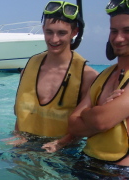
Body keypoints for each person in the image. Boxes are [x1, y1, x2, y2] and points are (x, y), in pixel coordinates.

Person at [13, 1, 98, 151]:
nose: (54, 39)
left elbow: (88, 125)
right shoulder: (29, 68)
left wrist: (62, 143)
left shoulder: (87, 76)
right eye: (49, 32)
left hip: (62, 152)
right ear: (43, 29)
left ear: (74, 32)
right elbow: (20, 113)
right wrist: (17, 136)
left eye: (62, 33)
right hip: (23, 145)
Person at [68, 0, 129, 166]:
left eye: (127, 31)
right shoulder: (105, 75)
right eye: (113, 31)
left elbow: (101, 121)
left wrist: (89, 113)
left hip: (119, 178)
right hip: (87, 164)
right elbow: (73, 124)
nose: (118, 38)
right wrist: (99, 112)